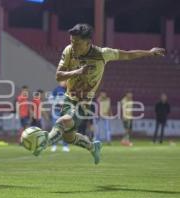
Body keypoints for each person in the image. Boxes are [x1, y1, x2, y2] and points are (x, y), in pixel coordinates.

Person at [36, 23, 165, 164]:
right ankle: (93, 146)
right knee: (69, 137)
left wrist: (149, 52)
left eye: (77, 43)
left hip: (84, 102)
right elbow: (59, 76)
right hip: (69, 98)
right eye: (72, 41)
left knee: (63, 121)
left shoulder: (102, 54)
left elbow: (127, 55)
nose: (73, 46)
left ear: (88, 42)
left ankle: (44, 142)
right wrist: (77, 71)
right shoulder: (69, 51)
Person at [49, 81, 70, 152]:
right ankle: (54, 145)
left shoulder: (68, 90)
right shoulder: (56, 90)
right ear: (60, 82)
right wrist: (57, 102)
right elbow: (50, 99)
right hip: (56, 111)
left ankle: (65, 146)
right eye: (64, 81)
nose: (65, 82)